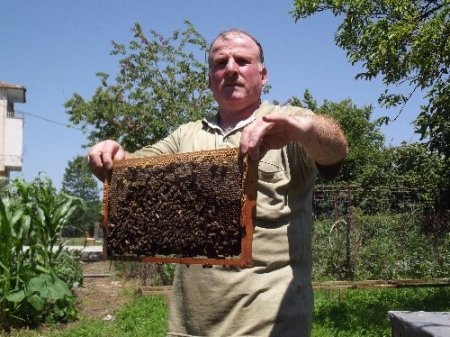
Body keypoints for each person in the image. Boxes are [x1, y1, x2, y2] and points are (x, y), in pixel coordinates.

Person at [87, 28, 348, 337]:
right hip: (189, 325)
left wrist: (303, 129)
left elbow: (335, 150)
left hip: (269, 323)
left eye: (242, 60)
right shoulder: (186, 134)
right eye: (220, 63)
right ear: (210, 76)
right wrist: (109, 155)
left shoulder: (286, 121)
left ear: (263, 75)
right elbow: (129, 170)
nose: (231, 69)